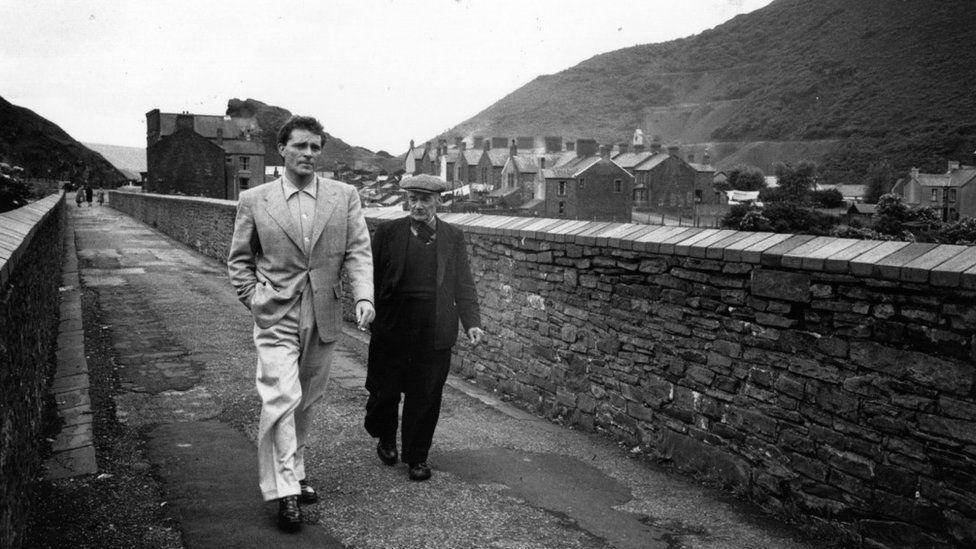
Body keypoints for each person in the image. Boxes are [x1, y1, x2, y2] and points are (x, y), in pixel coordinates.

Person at [227, 115, 374, 532]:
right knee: (280, 396)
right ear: (282, 150)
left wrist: (364, 296)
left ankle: (296, 467)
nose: (309, 154)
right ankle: (285, 491)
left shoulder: (344, 196)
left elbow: (359, 252)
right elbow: (239, 260)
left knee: (306, 399)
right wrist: (254, 299)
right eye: (301, 146)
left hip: (324, 312)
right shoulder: (255, 199)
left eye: (315, 147)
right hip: (276, 313)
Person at [364, 174, 485, 482]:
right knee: (386, 388)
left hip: (434, 328)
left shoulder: (452, 236)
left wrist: (471, 322)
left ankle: (417, 456)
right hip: (393, 324)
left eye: (425, 200)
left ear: (438, 201)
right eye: (413, 199)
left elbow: (463, 283)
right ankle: (386, 438)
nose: (418, 205)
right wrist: (368, 309)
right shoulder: (388, 232)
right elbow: (370, 278)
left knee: (426, 394)